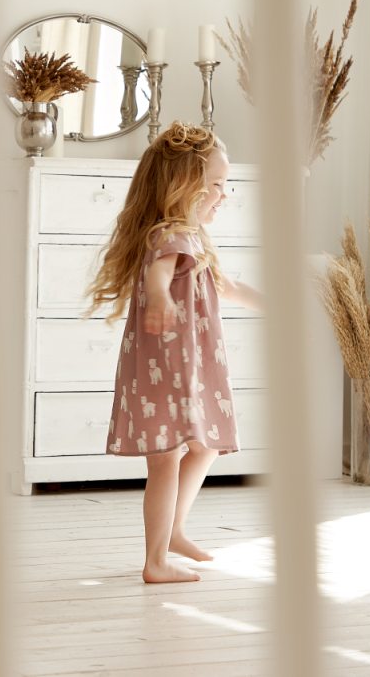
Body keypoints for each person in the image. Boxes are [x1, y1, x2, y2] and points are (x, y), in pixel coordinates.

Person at [87, 122, 263, 583]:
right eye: (216, 186)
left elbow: (224, 286)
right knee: (166, 458)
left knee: (206, 445)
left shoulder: (189, 236)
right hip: (169, 363)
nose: (224, 195)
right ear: (185, 187)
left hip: (190, 363)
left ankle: (176, 531)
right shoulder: (172, 235)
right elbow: (158, 277)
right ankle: (156, 561)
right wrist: (161, 298)